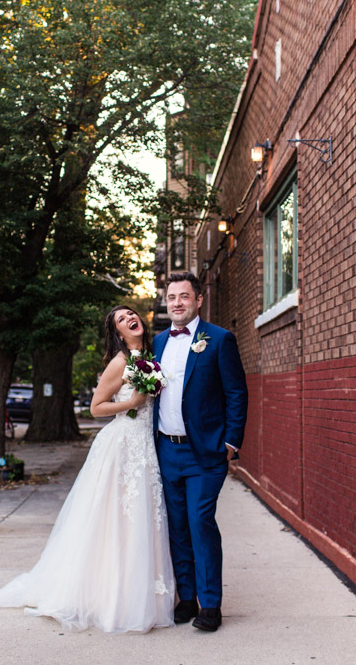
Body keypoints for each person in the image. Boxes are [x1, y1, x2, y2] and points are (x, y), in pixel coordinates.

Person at [0, 305, 174, 634]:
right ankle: (112, 597)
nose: (130, 318)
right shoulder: (120, 362)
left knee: (144, 518)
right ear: (117, 333)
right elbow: (96, 407)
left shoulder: (149, 360)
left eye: (131, 313)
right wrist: (130, 403)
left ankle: (145, 593)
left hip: (144, 447)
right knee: (116, 520)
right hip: (122, 446)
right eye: (121, 319)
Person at [153, 271, 248, 632]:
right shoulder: (158, 342)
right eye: (172, 297)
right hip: (166, 449)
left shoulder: (220, 340)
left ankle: (210, 604)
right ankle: (187, 598)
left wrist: (230, 441)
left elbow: (236, 393)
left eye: (184, 296)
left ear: (198, 300)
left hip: (204, 453)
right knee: (177, 527)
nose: (177, 303)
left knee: (200, 523)